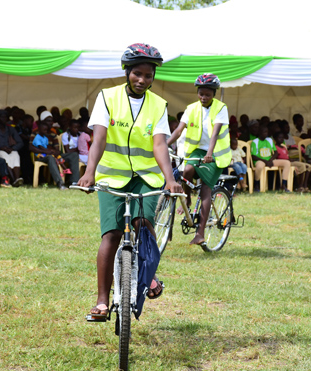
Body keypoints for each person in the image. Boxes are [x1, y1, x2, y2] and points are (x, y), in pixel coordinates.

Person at [78, 43, 182, 318]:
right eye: (137, 73)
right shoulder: (107, 97)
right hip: (112, 176)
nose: (142, 80)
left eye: (149, 76)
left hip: (146, 177)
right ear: (126, 71)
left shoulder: (158, 105)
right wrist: (89, 173)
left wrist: (170, 180)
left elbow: (160, 145)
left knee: (143, 225)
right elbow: (98, 138)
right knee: (111, 235)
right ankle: (102, 301)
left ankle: (148, 274)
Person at [167, 73, 231, 244]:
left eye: (207, 94)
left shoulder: (220, 108)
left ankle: (200, 233)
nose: (203, 97)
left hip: (215, 154)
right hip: (197, 151)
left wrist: (210, 153)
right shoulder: (191, 108)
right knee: (187, 170)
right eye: (201, 93)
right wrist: (164, 144)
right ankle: (187, 201)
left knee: (204, 191)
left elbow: (215, 133)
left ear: (214, 94)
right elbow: (179, 130)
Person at [30, 118, 79, 189]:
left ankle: (74, 182)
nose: (50, 123)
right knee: (50, 157)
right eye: (48, 121)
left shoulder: (53, 134)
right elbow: (31, 147)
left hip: (54, 155)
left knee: (74, 155)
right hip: (42, 156)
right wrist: (47, 151)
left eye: (51, 121)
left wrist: (53, 152)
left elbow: (58, 150)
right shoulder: (35, 133)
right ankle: (60, 183)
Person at [250, 125, 291, 192]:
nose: (266, 134)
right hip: (260, 160)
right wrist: (266, 161)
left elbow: (275, 153)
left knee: (287, 163)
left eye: (267, 132)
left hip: (270, 160)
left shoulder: (269, 140)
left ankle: (283, 185)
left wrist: (271, 160)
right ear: (260, 132)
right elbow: (254, 156)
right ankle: (256, 185)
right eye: (264, 132)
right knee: (259, 166)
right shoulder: (255, 142)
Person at [0, 109, 24, 187]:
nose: (4, 119)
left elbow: (20, 142)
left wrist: (12, 148)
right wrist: (1, 147)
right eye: (2, 117)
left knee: (15, 155)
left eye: (6, 117)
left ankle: (17, 179)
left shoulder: (10, 129)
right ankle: (13, 180)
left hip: (10, 150)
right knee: (4, 157)